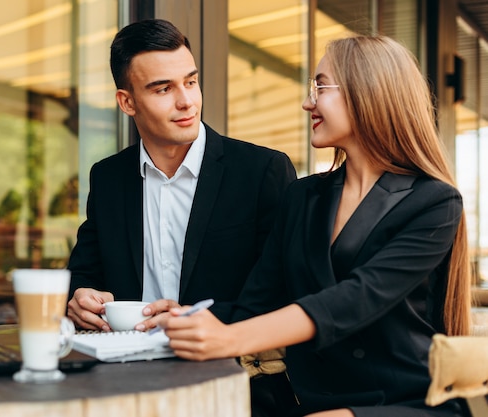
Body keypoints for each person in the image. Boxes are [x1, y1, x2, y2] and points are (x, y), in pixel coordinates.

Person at [158, 35, 473, 417]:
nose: (308, 102)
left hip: (404, 403)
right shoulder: (302, 197)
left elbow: (354, 299)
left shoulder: (433, 202)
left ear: (367, 93)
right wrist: (180, 317)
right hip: (314, 404)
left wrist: (227, 339)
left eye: (321, 87)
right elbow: (256, 304)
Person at [65, 19, 297, 417]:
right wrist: (81, 297)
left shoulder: (262, 172)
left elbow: (281, 293)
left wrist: (188, 319)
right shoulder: (108, 177)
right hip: (123, 384)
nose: (186, 101)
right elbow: (85, 272)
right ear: (127, 102)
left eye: (190, 82)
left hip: (235, 383)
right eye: (163, 88)